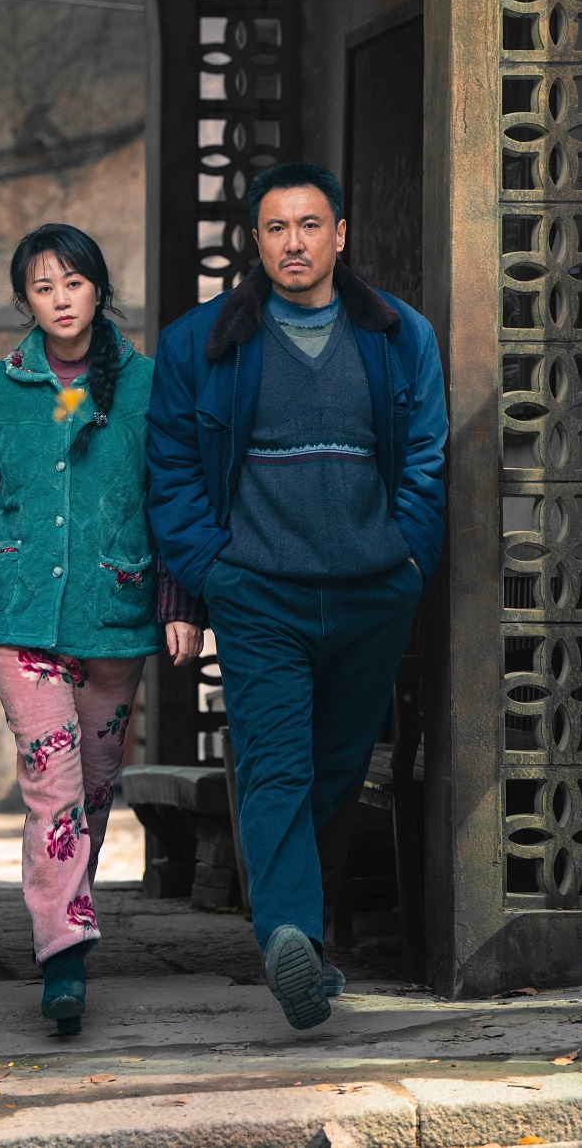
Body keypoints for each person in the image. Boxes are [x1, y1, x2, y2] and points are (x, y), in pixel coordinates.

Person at [146, 163, 446, 1030]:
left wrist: (406, 558)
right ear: (256, 239)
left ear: (339, 234)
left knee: (337, 769)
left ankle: (304, 938)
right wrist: (214, 571)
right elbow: (171, 470)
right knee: (275, 764)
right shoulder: (200, 343)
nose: (293, 243)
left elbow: (426, 455)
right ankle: (286, 932)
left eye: (309, 225)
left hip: (371, 591)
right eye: (276, 228)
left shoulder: (399, 335)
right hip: (258, 594)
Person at [0, 223, 204, 1037]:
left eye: (73, 283)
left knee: (94, 788)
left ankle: (64, 919)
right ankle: (64, 956)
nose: (61, 299)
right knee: (53, 781)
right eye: (43, 287)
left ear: (98, 290)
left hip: (113, 612)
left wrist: (180, 604)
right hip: (17, 615)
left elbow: (174, 501)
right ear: (25, 301)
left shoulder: (148, 386)